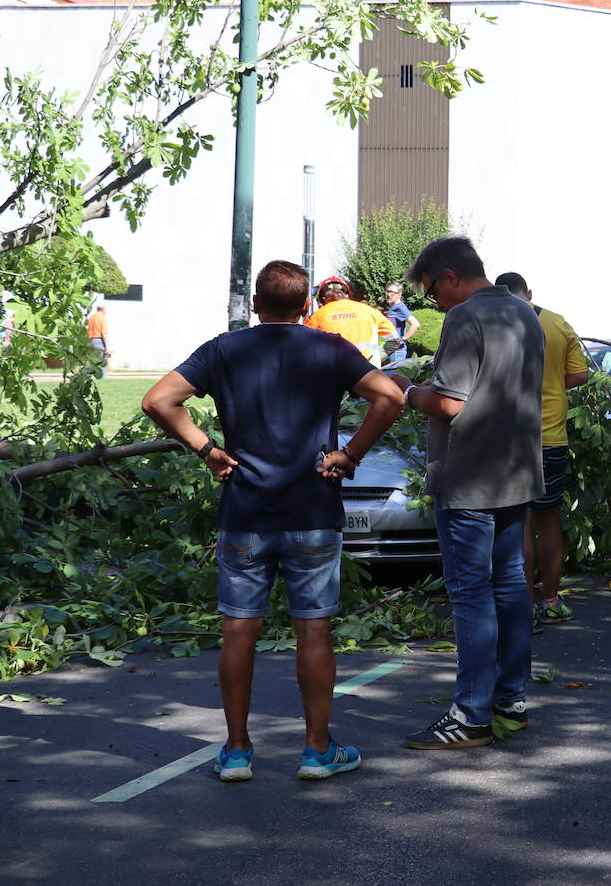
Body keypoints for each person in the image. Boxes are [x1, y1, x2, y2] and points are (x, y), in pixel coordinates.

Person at [140, 260, 404, 782]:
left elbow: (158, 400)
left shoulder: (224, 348)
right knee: (314, 631)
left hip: (245, 512)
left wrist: (208, 450)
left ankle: (237, 750)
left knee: (238, 630)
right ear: (308, 307)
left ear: (255, 306)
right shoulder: (329, 348)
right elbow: (390, 396)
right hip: (312, 509)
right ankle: (315, 750)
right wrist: (349, 455)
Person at [394, 237, 544, 749]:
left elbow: (450, 403)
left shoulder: (464, 318)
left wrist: (405, 391)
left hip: (470, 478)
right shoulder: (524, 313)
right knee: (510, 585)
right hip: (516, 471)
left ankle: (471, 714)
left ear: (451, 276)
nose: (433, 301)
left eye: (433, 289)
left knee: (471, 594)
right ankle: (510, 699)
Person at [494, 271, 590, 631]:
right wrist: (549, 381)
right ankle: (551, 600)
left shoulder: (496, 322)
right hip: (550, 436)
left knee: (518, 524)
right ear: (529, 293)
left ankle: (524, 607)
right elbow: (580, 375)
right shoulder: (556, 322)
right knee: (548, 522)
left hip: (509, 438)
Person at [304, 275, 398, 366]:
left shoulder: (316, 317)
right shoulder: (370, 310)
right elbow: (395, 341)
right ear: (347, 295)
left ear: (322, 298)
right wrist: (377, 358)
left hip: (333, 375)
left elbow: (304, 349)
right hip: (368, 373)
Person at [383, 282, 421, 364]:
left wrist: (402, 339)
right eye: (387, 291)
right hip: (390, 350)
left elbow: (416, 324)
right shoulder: (393, 308)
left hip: (396, 352)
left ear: (399, 294)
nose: (389, 294)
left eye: (392, 292)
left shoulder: (400, 307)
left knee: (392, 376)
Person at [86, 303, 110, 369]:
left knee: (92, 361)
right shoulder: (102, 318)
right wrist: (107, 346)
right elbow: (104, 333)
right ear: (103, 309)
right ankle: (102, 378)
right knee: (101, 361)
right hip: (98, 340)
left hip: (90, 340)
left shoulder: (91, 317)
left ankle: (90, 377)